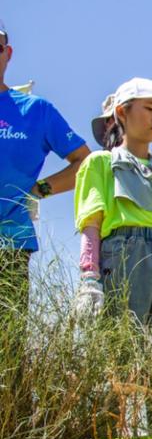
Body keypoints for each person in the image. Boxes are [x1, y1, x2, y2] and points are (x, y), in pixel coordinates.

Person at [73, 76, 152, 333]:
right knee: (123, 350)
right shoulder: (101, 163)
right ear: (121, 112)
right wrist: (89, 278)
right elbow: (91, 224)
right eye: (149, 109)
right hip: (123, 259)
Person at [0, 18, 89, 302]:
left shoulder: (36, 110)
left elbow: (84, 163)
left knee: (7, 344)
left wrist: (39, 190)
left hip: (10, 244)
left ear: (8, 53)